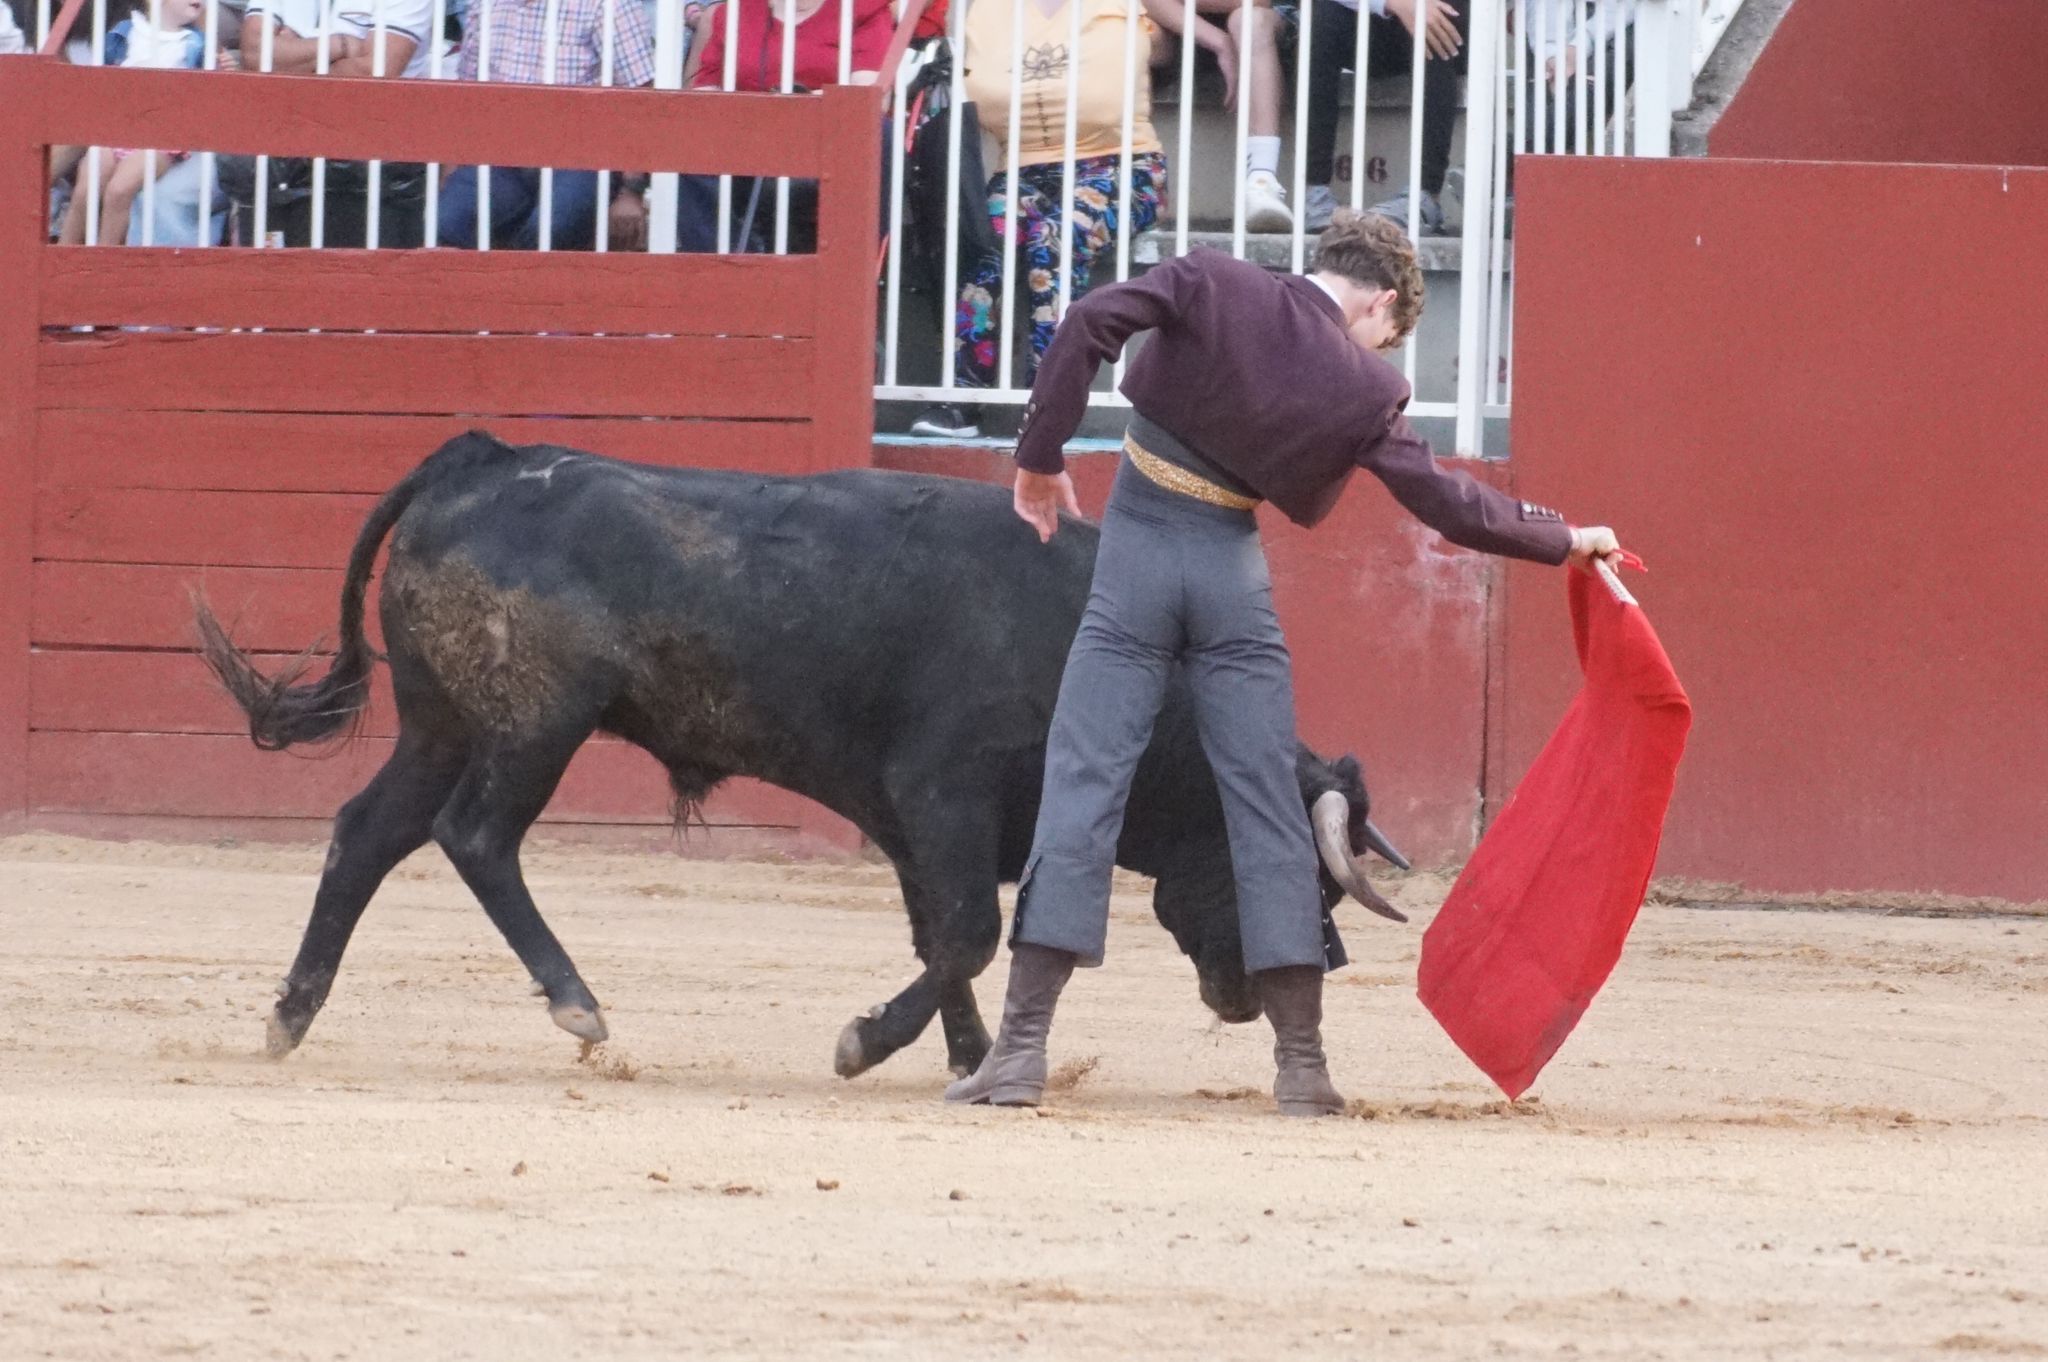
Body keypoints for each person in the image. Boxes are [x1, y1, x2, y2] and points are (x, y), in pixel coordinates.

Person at [943, 211, 1621, 1117]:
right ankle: (1303, 1067)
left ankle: (1021, 1054)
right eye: (1392, 329)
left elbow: (1088, 322)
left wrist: (1039, 457)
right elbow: (1451, 507)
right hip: (1232, 578)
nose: (1383, 343)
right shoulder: (1367, 385)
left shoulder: (1214, 279)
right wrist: (1564, 539)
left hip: (1139, 556)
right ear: (1379, 301)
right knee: (1266, 804)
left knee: (1084, 784)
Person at [909, 0, 1168, 442]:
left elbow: (1164, 38)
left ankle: (1046, 402)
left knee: (1054, 237)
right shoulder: (989, 10)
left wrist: (1217, 40)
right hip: (1023, 169)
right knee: (983, 241)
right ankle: (963, 394)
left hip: (1123, 166)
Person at [134, 0, 436, 247]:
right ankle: (163, 318)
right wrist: (339, 45)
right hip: (270, 142)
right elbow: (255, 54)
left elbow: (373, 71)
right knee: (164, 196)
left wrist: (289, 57)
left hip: (361, 161)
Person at [674, 0, 892, 253]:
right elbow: (705, 95)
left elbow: (867, 97)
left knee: (878, 132)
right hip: (747, 140)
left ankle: (848, 265)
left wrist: (795, 103)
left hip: (828, 141)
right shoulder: (733, 12)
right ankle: (722, 272)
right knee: (690, 136)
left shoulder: (865, 10)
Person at [440, 0, 657, 250]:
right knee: (446, 224)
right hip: (502, 158)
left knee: (547, 234)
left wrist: (630, 192)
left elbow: (641, 98)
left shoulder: (607, 5)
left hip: (584, 159)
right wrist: (452, 173)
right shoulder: (485, 5)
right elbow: (469, 95)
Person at [1301, 0, 1464, 233]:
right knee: (1321, 15)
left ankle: (1425, 195)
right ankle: (1315, 194)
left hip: (1444, 28)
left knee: (1438, 14)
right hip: (1372, 22)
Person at [56, 0, 208, 247]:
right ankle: (62, 257)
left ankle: (103, 263)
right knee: (86, 189)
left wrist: (219, 67)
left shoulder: (198, 45)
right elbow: (101, 83)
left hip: (162, 138)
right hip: (117, 129)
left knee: (119, 190)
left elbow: (205, 97)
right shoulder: (125, 31)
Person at [1147, 0, 1292, 231]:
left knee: (1248, 21)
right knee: (1123, 30)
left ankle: (1262, 181)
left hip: (1263, 25)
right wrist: (1220, 43)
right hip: (1183, 27)